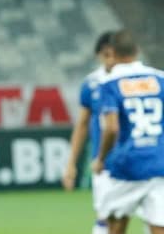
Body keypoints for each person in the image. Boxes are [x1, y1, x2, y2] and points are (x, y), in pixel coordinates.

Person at [92, 30, 164, 234]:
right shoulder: (160, 79)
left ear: (112, 52)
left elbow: (112, 127)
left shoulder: (110, 83)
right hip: (160, 164)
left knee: (115, 225)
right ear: (137, 51)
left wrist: (101, 158)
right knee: (159, 227)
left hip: (127, 166)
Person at [62, 31, 116, 234]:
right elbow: (82, 125)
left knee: (155, 220)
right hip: (104, 165)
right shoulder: (92, 83)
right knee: (105, 219)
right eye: (106, 54)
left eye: (114, 54)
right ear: (99, 55)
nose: (110, 59)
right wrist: (70, 164)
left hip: (139, 161)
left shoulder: (137, 80)